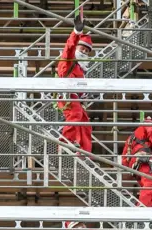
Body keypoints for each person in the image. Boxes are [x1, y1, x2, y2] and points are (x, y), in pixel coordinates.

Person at [57, 14, 93, 153]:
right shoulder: (68, 61)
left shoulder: (80, 67)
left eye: (86, 50)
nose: (84, 51)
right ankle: (66, 143)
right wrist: (77, 32)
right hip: (67, 94)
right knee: (76, 115)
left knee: (85, 123)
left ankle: (84, 153)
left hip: (75, 97)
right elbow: (69, 48)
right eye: (82, 48)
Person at [122, 117, 152, 207]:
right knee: (149, 184)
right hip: (145, 161)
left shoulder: (130, 138)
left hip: (136, 164)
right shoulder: (148, 124)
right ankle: (141, 208)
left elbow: (124, 160)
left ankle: (146, 207)